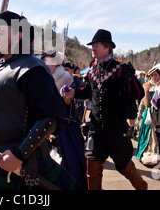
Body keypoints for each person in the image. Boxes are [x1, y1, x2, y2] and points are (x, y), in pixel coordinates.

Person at [0, 10, 82, 190]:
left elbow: (51, 116)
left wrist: (20, 154)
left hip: (15, 162)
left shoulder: (33, 68)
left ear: (19, 35)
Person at [63, 29, 147, 190]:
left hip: (116, 128)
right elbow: (87, 90)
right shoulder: (93, 70)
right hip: (95, 129)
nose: (92, 49)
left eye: (96, 46)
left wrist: (130, 81)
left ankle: (142, 186)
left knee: (124, 167)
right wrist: (72, 92)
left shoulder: (121, 69)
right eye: (92, 46)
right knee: (92, 170)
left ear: (107, 47)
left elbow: (138, 93)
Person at [41, 51, 87, 190]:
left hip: (63, 128)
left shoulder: (66, 78)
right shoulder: (41, 79)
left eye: (48, 61)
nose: (45, 64)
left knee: (70, 165)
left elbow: (68, 102)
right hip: (42, 126)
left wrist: (66, 96)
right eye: (43, 61)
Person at [136, 64, 160, 166]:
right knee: (147, 133)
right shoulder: (147, 86)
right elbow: (142, 101)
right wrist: (140, 113)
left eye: (156, 75)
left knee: (155, 134)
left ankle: (155, 153)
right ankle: (146, 152)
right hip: (148, 114)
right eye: (152, 75)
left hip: (158, 114)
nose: (153, 77)